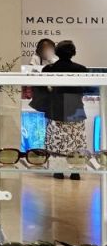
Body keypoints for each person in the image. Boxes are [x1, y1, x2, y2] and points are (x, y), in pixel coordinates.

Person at [40, 40, 89, 180]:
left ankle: (58, 170)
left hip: (56, 107)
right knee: (76, 140)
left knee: (56, 140)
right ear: (73, 53)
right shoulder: (81, 69)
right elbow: (86, 88)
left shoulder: (49, 69)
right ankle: (75, 171)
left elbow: (43, 89)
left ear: (56, 52)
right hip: (75, 108)